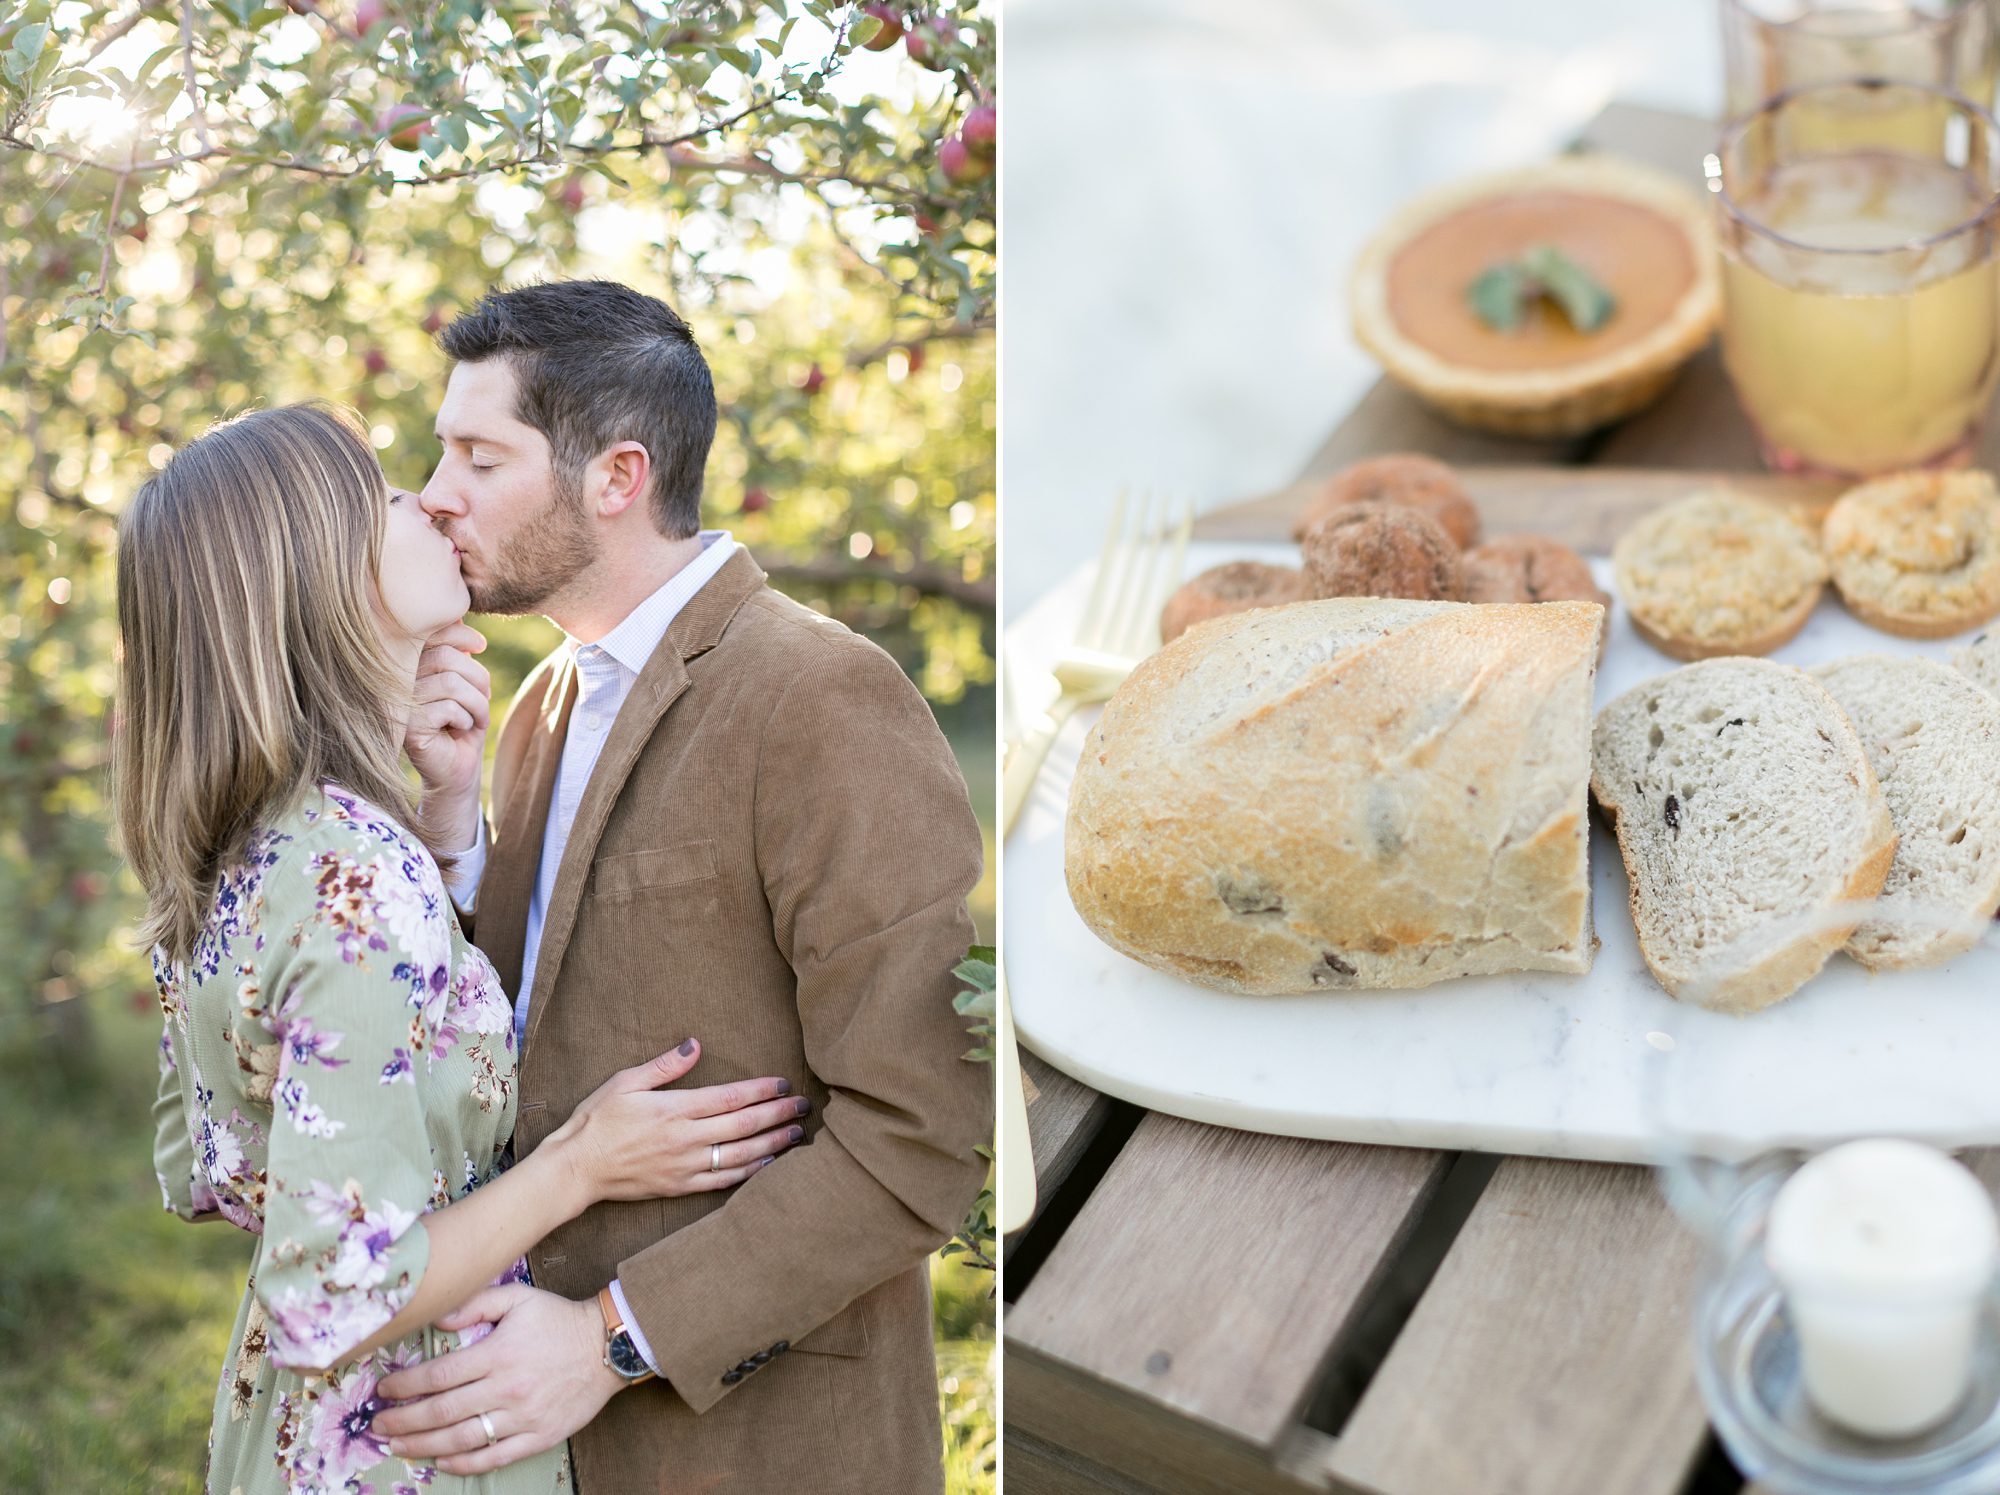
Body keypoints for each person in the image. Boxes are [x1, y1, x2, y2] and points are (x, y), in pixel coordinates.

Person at [368, 280, 992, 1492]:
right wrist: (451, 828)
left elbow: (925, 1131)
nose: (437, 492)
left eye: (478, 455)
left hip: (761, 1442)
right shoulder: (542, 705)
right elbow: (520, 1035)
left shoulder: (819, 696)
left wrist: (614, 1335)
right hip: (538, 1439)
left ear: (615, 476)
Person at [125, 404, 806, 1494]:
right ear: (321, 575)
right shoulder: (351, 880)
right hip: (422, 1437)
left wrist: (443, 829)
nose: (429, 498)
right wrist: (583, 1160)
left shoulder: (252, 845)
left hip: (293, 1430)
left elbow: (206, 1168)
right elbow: (332, 1292)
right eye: (384, 494)